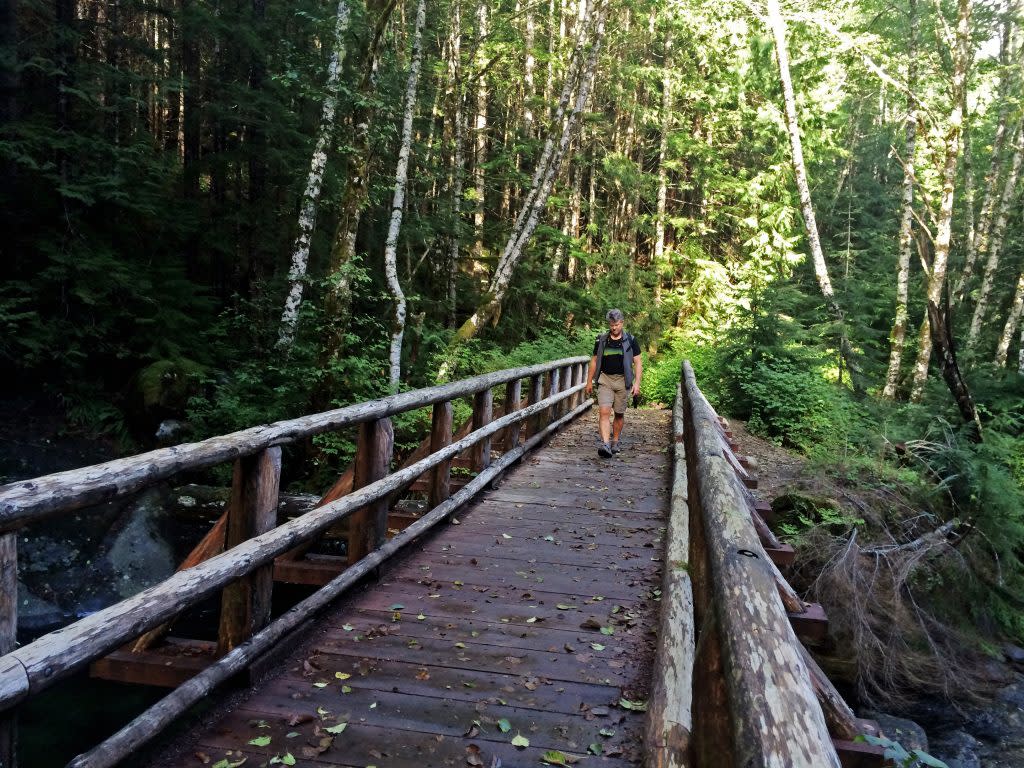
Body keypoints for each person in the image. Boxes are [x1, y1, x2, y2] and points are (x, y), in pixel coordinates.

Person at [585, 309, 642, 458]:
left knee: (619, 413)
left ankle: (615, 442)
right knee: (604, 412)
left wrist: (637, 383)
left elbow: (638, 362)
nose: (614, 328)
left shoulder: (630, 339)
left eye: (616, 325)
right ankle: (605, 444)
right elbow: (594, 361)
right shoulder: (602, 340)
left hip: (624, 381)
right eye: (611, 325)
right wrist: (589, 381)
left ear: (622, 323)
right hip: (605, 379)